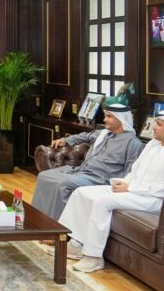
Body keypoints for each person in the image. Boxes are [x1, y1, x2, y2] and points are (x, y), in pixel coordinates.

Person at [57, 110, 164, 273]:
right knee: (81, 192)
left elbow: (160, 188)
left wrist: (130, 188)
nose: (154, 127)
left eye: (159, 124)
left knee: (102, 202)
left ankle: (94, 257)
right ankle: (75, 243)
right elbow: (135, 170)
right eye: (155, 123)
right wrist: (125, 182)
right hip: (133, 190)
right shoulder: (152, 144)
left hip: (153, 199)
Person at [32, 104, 144, 221]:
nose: (104, 119)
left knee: (63, 184)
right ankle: (37, 218)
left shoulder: (133, 143)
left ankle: (57, 225)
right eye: (105, 116)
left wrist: (123, 186)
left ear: (121, 119)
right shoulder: (103, 133)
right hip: (81, 171)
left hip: (100, 179)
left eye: (109, 116)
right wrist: (65, 140)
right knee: (44, 176)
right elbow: (84, 136)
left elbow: (131, 171)